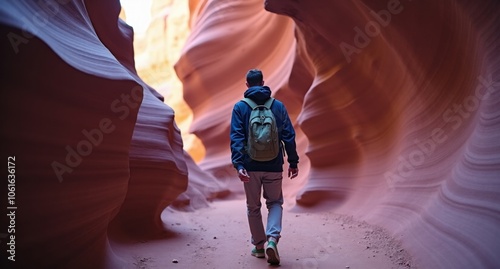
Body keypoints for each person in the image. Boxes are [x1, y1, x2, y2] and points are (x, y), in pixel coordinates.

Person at [230, 69, 299, 265]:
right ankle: (272, 239)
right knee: (275, 202)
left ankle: (259, 247)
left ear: (247, 85)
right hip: (274, 165)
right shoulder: (277, 106)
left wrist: (239, 164)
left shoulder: (240, 108)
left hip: (250, 166)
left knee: (253, 207)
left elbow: (236, 137)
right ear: (263, 82)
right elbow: (289, 136)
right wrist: (293, 162)